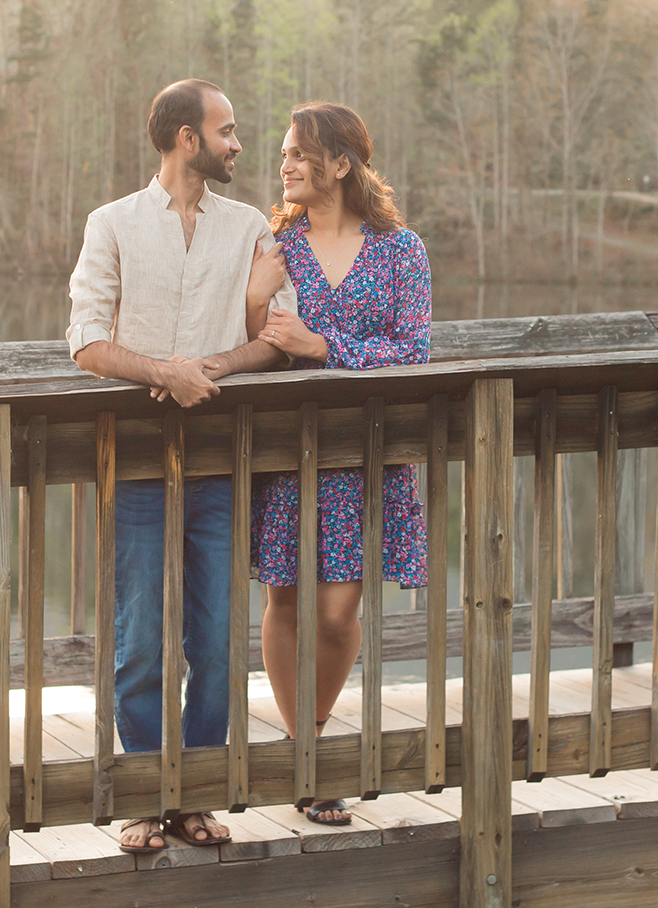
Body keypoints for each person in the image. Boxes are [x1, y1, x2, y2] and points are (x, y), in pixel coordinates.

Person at [66, 78, 296, 855]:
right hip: (134, 465)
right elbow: (87, 342)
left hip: (220, 466)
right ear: (185, 139)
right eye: (227, 131)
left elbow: (281, 334)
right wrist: (164, 371)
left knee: (216, 641)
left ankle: (193, 799)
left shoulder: (250, 230)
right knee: (138, 641)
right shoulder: (114, 224)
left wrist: (216, 365)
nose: (239, 144)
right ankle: (140, 801)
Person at [244, 101, 431, 825]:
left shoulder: (399, 250)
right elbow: (241, 336)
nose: (285, 165)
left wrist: (325, 349)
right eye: (284, 153)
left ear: (342, 165)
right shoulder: (272, 245)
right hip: (286, 451)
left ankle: (308, 740)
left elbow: (413, 352)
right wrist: (255, 300)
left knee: (337, 609)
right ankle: (309, 756)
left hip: (365, 455)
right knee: (286, 598)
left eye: (299, 154)